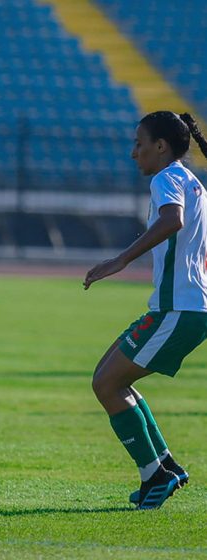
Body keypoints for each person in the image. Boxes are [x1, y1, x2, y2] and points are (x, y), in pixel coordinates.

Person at [85, 111, 207, 509]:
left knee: (107, 385)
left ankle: (154, 475)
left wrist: (120, 260)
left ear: (161, 146)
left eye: (139, 143)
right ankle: (164, 466)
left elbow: (172, 221)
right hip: (180, 307)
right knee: (108, 378)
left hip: (179, 308)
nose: (134, 152)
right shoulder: (193, 183)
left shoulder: (166, 177)